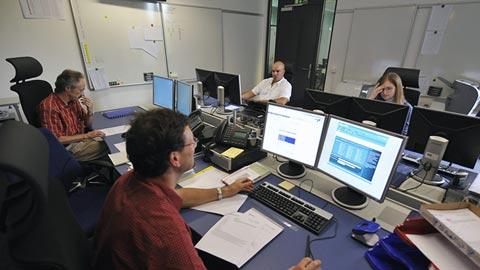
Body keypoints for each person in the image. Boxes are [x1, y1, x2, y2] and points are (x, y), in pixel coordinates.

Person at [93, 109, 321, 270]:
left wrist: (225, 191)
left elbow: (177, 196)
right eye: (192, 142)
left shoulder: (130, 181)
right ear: (174, 158)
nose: (196, 146)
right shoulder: (166, 232)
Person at [39, 69, 107, 161]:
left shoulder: (73, 100)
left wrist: (90, 111)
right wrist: (87, 136)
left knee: (109, 138)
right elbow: (57, 139)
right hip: (68, 147)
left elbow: (88, 124)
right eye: (81, 90)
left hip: (81, 138)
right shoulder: (50, 106)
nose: (82, 93)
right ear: (67, 88)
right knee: (109, 145)